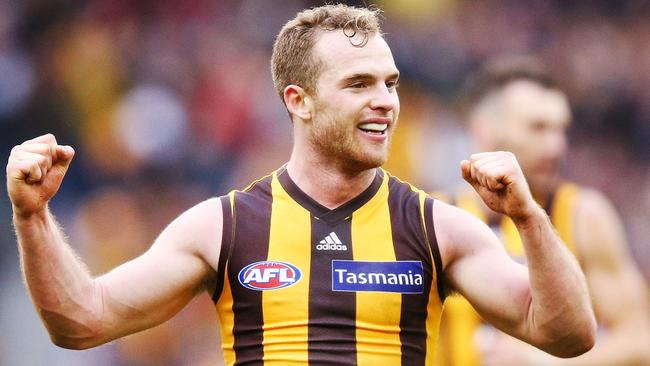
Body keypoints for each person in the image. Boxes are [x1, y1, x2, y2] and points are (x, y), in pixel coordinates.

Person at [6, 5, 596, 365]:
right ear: (300, 100)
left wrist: (529, 219)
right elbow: (81, 322)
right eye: (360, 83)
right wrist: (33, 218)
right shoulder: (224, 225)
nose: (385, 102)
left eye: (390, 83)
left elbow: (566, 335)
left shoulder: (436, 226)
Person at [436, 58, 650, 366]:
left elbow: (639, 342)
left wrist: (547, 362)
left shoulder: (583, 215)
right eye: (538, 128)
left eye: (560, 129)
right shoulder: (437, 216)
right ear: (483, 132)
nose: (556, 146)